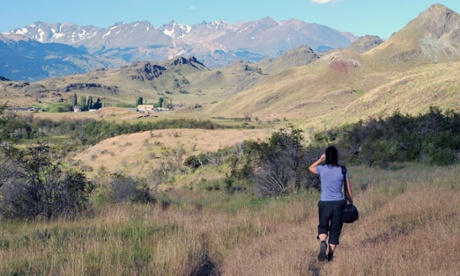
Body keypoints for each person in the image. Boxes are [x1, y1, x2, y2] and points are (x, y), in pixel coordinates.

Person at [309, 146, 353, 262]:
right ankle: (330, 256)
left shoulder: (322, 169)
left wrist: (320, 160)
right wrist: (351, 201)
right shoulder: (343, 170)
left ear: (326, 157)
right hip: (339, 203)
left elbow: (311, 168)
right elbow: (348, 188)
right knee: (335, 230)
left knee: (323, 226)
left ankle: (323, 242)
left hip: (325, 203)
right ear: (336, 156)